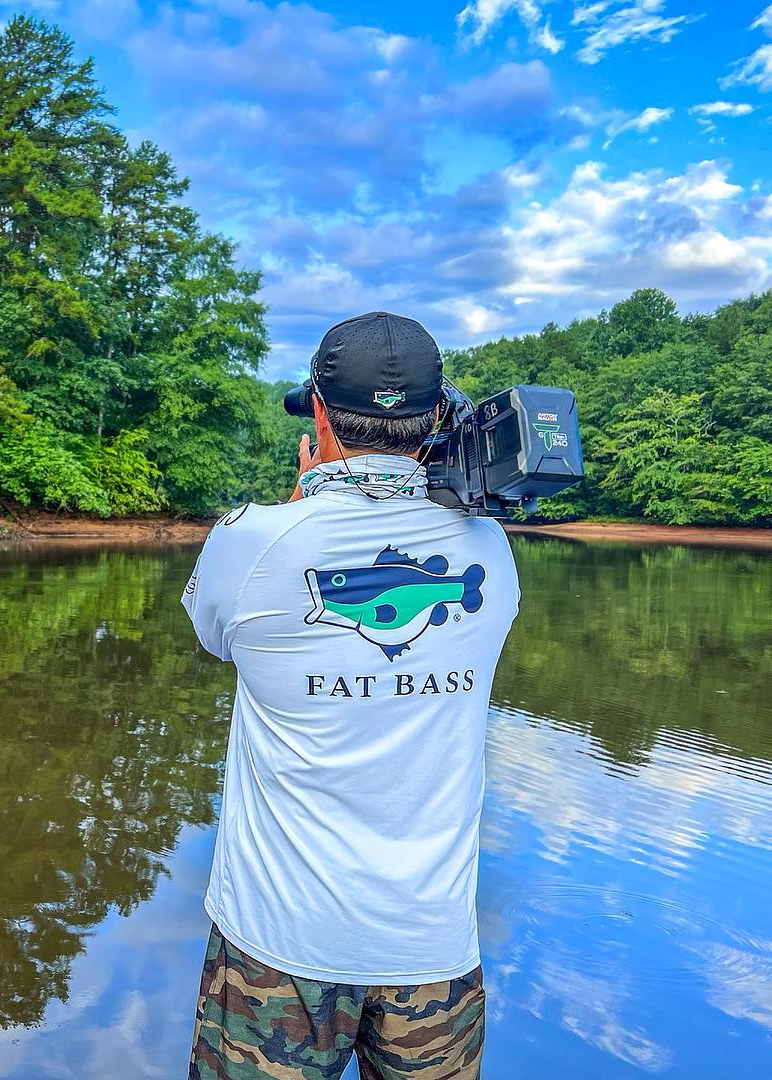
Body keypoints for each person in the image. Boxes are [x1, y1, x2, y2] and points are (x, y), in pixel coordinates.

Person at [183, 312, 520, 1080]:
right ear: (440, 416)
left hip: (277, 946)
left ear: (321, 415)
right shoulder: (490, 553)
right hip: (432, 948)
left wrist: (303, 502)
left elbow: (215, 635)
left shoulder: (251, 538)